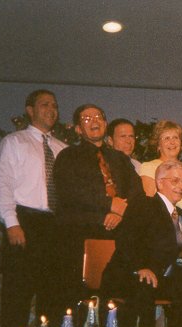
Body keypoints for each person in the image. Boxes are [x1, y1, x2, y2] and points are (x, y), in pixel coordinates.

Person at [101, 160, 182, 327]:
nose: (181, 186)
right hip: (130, 272)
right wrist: (141, 267)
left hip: (161, 275)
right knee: (144, 288)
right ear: (159, 182)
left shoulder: (180, 215)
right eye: (175, 181)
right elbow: (126, 241)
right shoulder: (144, 205)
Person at [0, 89, 67, 327]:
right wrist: (12, 224)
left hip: (55, 227)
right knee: (18, 300)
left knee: (53, 299)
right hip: (25, 223)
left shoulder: (62, 149)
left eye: (54, 105)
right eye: (44, 104)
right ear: (30, 110)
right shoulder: (14, 142)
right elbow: (3, 185)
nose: (51, 109)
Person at [54, 104, 144, 305]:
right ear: (78, 129)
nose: (94, 121)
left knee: (118, 299)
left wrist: (120, 213)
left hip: (119, 236)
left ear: (105, 123)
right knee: (78, 300)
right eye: (87, 119)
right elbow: (70, 193)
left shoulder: (120, 158)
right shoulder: (68, 157)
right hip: (81, 235)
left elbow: (137, 191)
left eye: (98, 117)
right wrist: (108, 205)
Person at [139, 120, 182, 218]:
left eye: (175, 138)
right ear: (158, 145)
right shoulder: (149, 167)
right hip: (166, 222)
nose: (172, 142)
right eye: (167, 138)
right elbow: (148, 205)